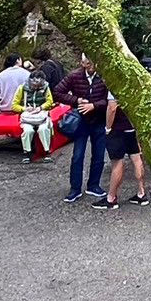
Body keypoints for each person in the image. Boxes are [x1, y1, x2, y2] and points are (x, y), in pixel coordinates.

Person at [56, 56, 110, 204]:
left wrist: (94, 105)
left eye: (93, 62)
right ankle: (75, 188)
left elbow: (110, 98)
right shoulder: (74, 76)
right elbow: (58, 92)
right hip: (81, 121)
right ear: (82, 63)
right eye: (88, 62)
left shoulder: (104, 76)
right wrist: (76, 100)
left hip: (98, 120)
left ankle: (93, 185)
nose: (91, 65)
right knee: (78, 155)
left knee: (99, 155)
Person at [94, 89, 148, 209]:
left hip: (117, 128)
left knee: (117, 162)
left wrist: (108, 128)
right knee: (136, 158)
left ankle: (111, 198)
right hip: (131, 127)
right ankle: (141, 193)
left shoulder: (115, 84)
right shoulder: (131, 81)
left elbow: (112, 108)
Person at [10, 66, 54, 161]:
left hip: (41, 115)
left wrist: (41, 107)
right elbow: (14, 105)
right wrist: (24, 108)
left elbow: (50, 101)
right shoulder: (22, 88)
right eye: (33, 84)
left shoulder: (46, 88)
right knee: (28, 131)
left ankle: (47, 151)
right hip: (27, 117)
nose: (35, 87)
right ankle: (27, 152)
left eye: (38, 85)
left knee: (43, 129)